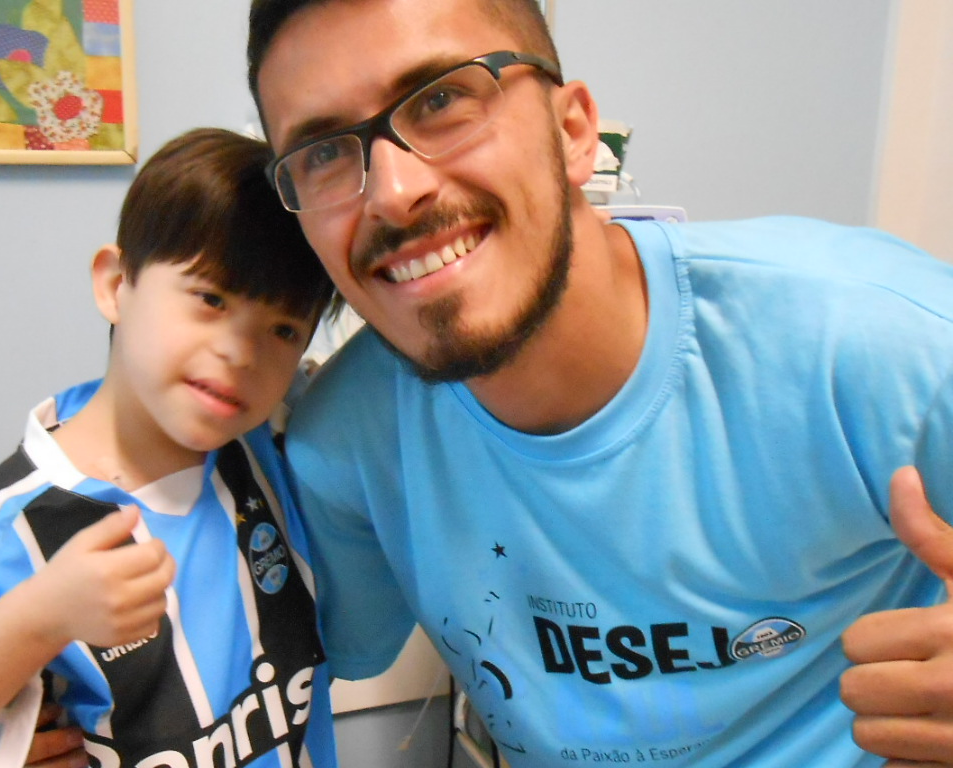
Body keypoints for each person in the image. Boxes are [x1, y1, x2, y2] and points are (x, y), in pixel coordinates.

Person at [246, 0, 953, 766]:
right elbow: (279, 665)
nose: (392, 191)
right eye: (322, 152)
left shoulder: (880, 342)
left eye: (442, 99)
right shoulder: (346, 443)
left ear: (574, 131)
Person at [0, 127, 339, 768]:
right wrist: (41, 618)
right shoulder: (18, 525)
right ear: (115, 284)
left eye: (283, 328)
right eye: (210, 298)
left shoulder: (275, 443)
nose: (241, 353)